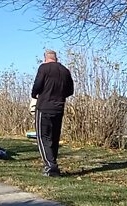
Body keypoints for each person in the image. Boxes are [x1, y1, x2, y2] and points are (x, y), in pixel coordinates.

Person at [31, 49, 74, 177]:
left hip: (44, 107)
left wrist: (34, 94)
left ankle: (50, 166)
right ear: (56, 58)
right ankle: (53, 163)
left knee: (43, 137)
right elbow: (70, 90)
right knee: (54, 138)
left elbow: (37, 84)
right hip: (59, 108)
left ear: (45, 58)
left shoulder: (44, 68)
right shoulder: (65, 71)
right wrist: (60, 96)